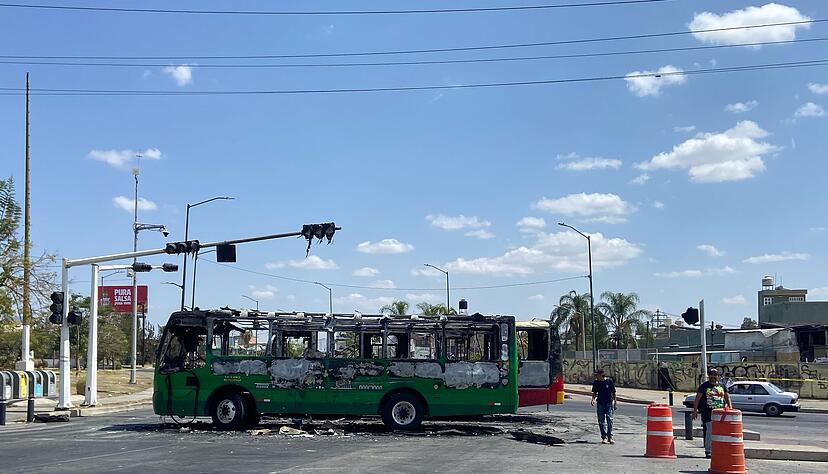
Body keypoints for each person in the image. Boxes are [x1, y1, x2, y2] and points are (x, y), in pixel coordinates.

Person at [692, 368, 732, 458]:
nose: (713, 376)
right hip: (708, 412)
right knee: (709, 431)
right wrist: (695, 411)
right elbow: (697, 398)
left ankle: (718, 449)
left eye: (715, 375)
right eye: (711, 374)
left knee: (720, 431)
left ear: (718, 376)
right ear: (709, 375)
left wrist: (730, 408)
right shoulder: (704, 386)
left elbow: (727, 397)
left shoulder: (722, 385)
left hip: (720, 413)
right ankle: (708, 450)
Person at [591, 369, 617, 444]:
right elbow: (594, 392)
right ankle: (604, 437)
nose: (596, 377)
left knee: (610, 420)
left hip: (609, 403)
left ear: (601, 375)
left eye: (597, 375)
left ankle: (610, 437)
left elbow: (613, 392)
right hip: (600, 403)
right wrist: (593, 399)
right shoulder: (596, 382)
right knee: (601, 421)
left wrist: (615, 403)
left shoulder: (609, 381)